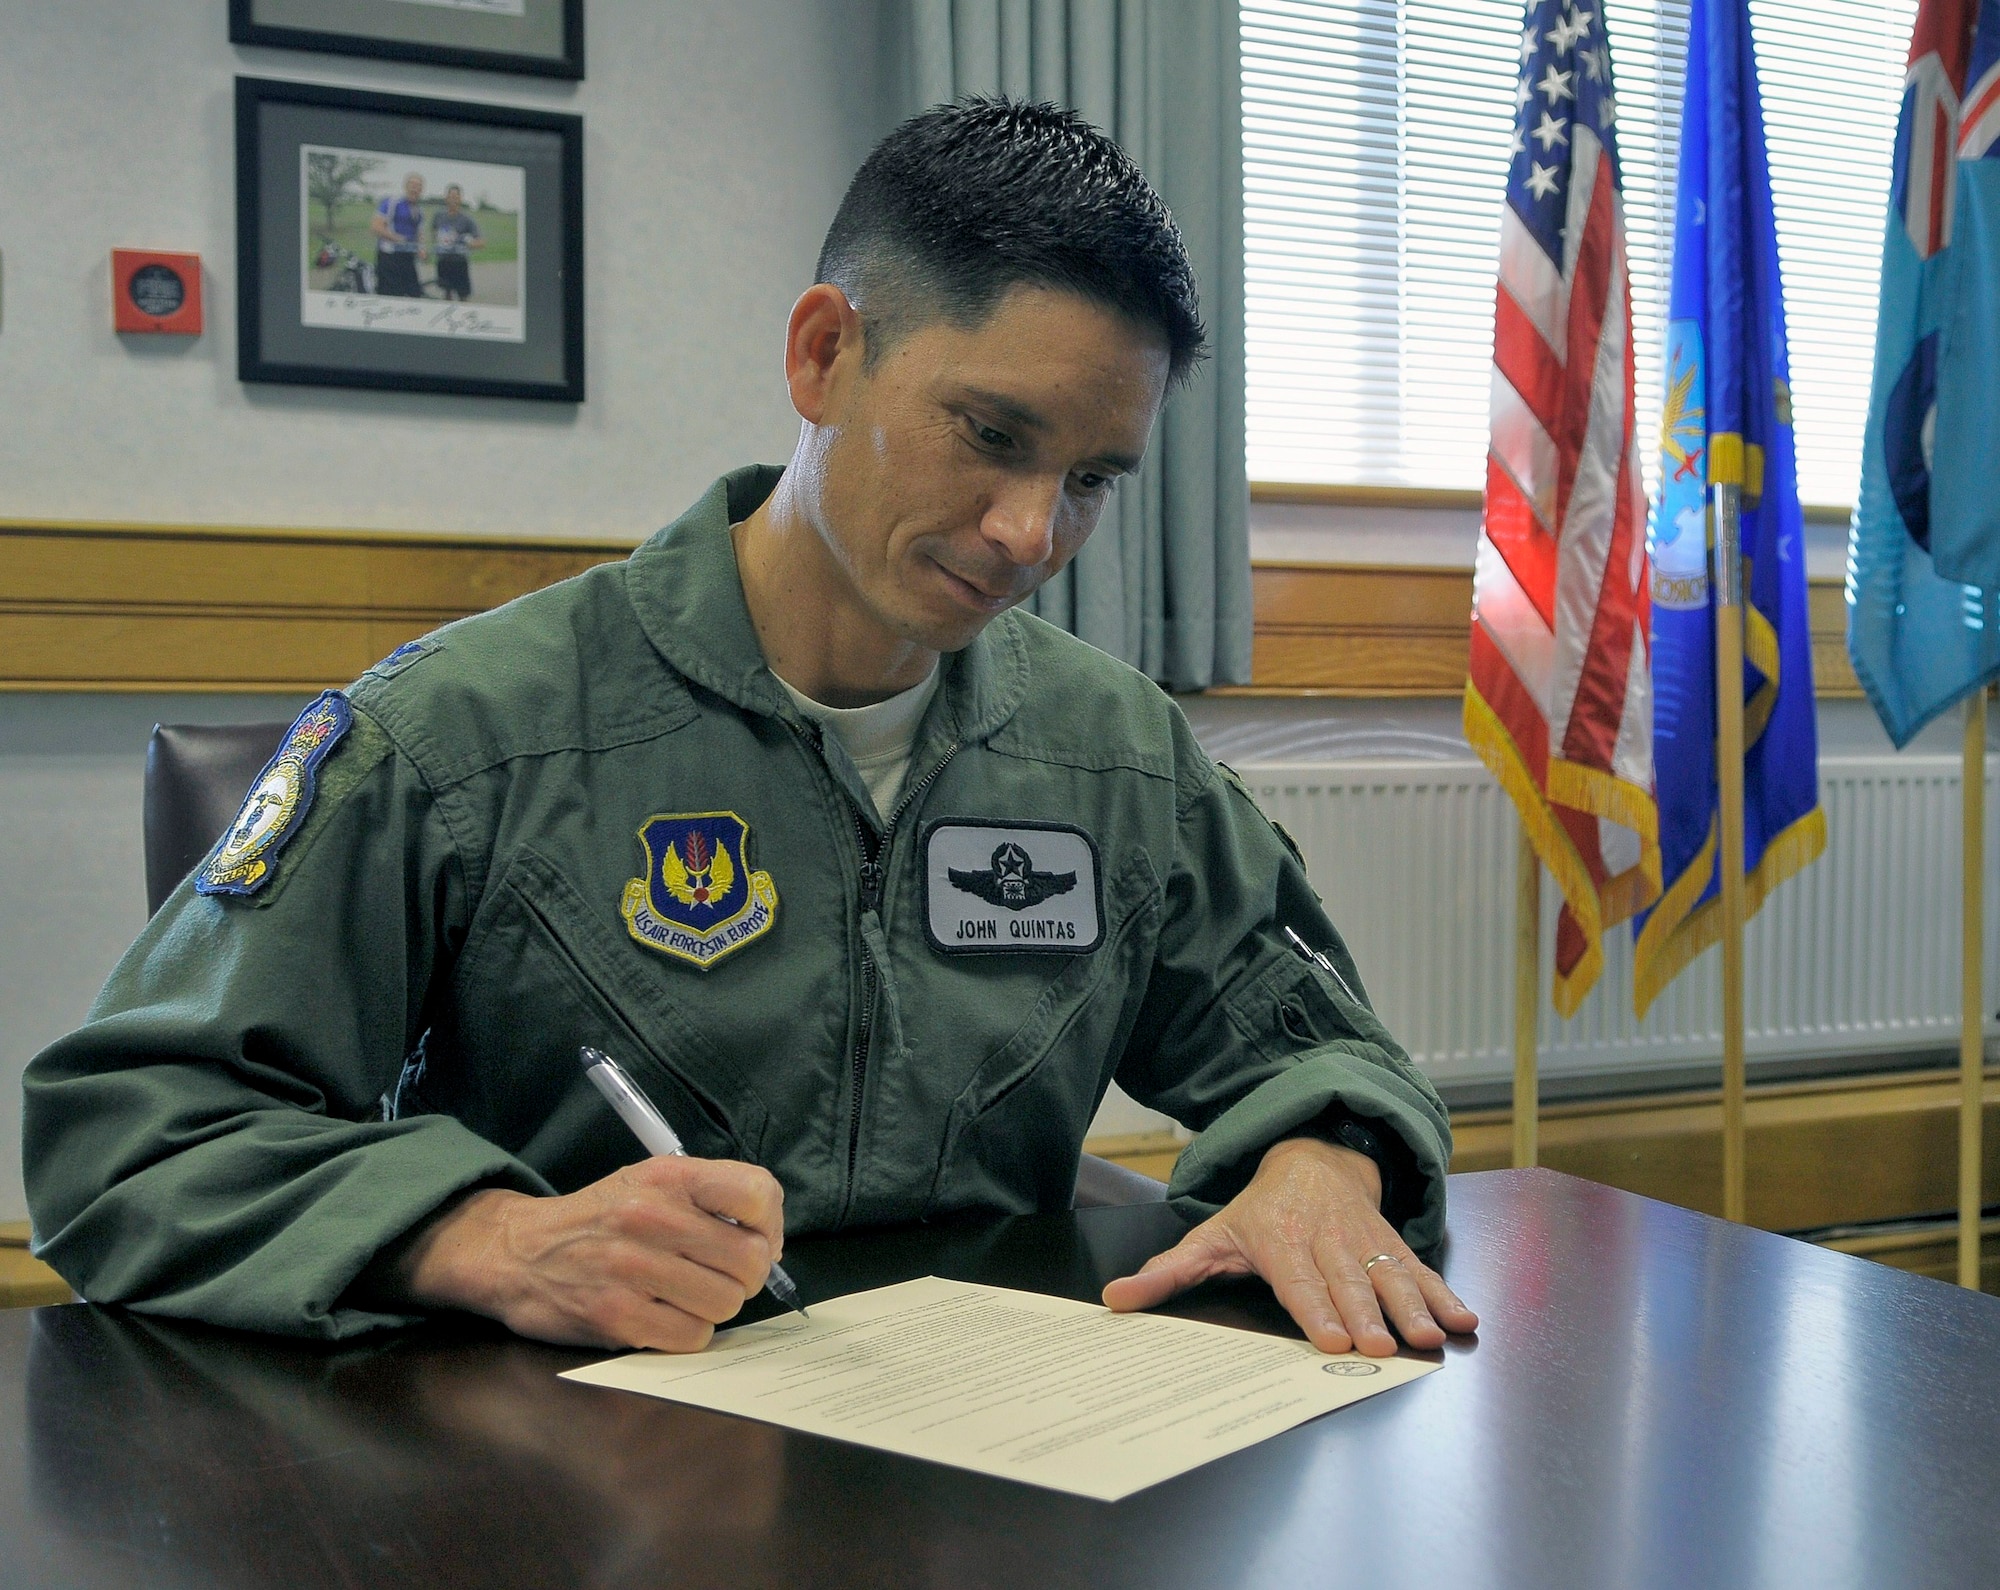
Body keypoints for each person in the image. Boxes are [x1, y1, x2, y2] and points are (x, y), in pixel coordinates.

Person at [24, 99, 1477, 1359]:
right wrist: (482, 1239)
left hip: (1003, 1473)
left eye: (1093, 478)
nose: (1035, 533)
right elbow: (135, 1133)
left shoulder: (1113, 756)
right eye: (992, 436)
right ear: (824, 353)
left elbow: (1314, 1050)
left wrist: (1322, 1160)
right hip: (557, 1473)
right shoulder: (467, 733)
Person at [370, 171, 427, 298]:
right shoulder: (391, 203)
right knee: (390, 295)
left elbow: (419, 233)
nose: (415, 189)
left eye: (418, 186)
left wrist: (421, 248)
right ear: (406, 186)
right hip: (389, 256)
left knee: (414, 294)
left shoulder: (419, 210)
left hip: (407, 257)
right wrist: (397, 238)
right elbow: (376, 227)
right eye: (412, 185)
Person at [432, 184, 484, 301]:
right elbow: (434, 232)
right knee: (446, 293)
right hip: (443, 261)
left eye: (456, 197)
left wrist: (468, 243)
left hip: (459, 262)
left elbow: (481, 242)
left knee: (463, 296)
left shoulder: (467, 219)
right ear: (446, 198)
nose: (453, 200)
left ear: (460, 199)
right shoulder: (438, 216)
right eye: (451, 197)